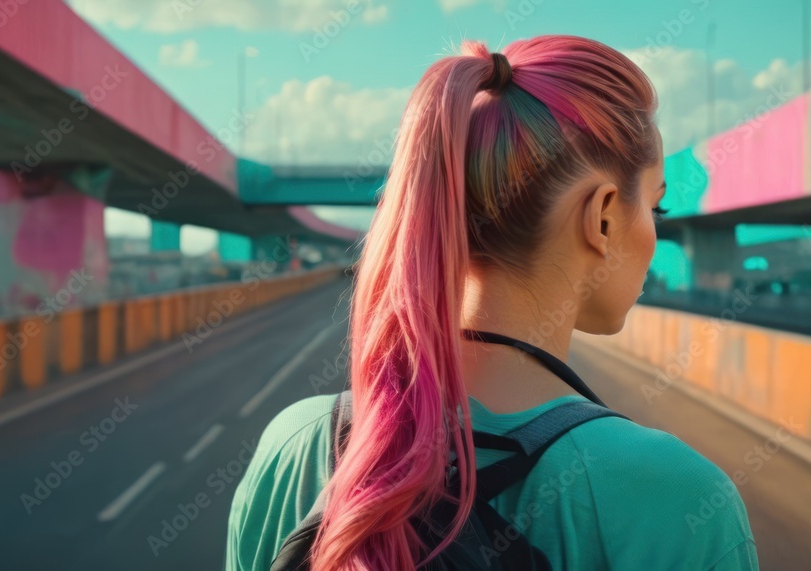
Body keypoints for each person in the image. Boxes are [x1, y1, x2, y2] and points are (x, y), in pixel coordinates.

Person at [227, 35, 758, 570]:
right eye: (655, 207)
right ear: (600, 217)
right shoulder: (681, 501)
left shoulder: (294, 449)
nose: (654, 235)